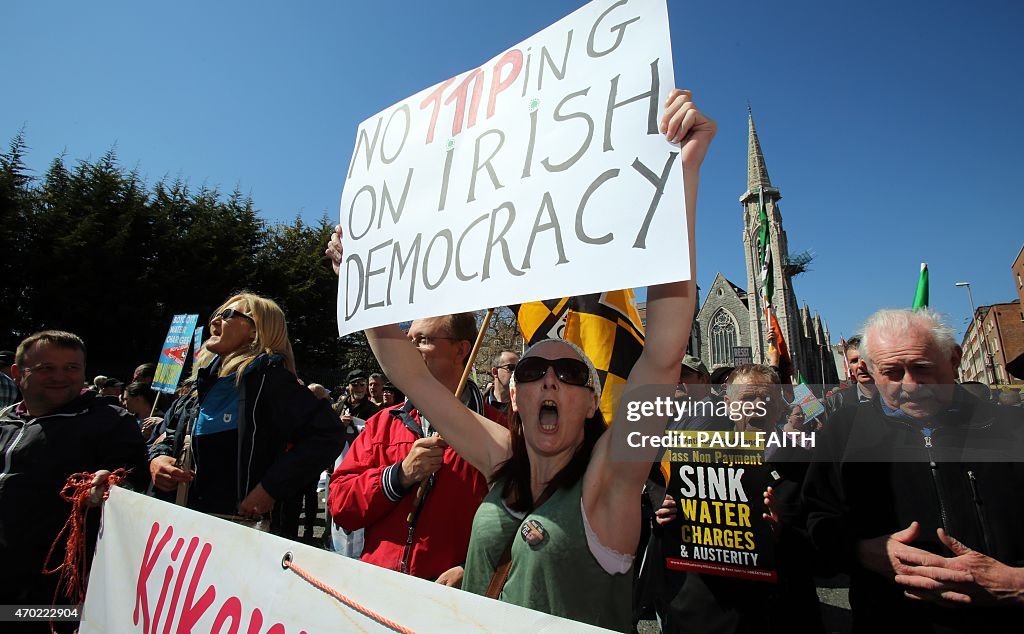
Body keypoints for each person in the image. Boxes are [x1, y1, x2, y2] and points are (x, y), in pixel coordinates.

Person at [331, 88, 714, 630]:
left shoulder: (612, 480)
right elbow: (410, 374)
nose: (550, 380)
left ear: (589, 401)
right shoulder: (501, 461)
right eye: (534, 371)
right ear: (515, 393)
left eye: (571, 373)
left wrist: (681, 177)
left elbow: (664, 351)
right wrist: (360, 280)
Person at [803, 308, 1024, 632]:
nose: (911, 385)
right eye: (892, 372)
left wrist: (1015, 583)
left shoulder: (1013, 428)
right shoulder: (845, 431)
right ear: (868, 371)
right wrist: (859, 551)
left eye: (923, 368)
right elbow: (817, 519)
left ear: (954, 359)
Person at [327, 312, 504, 583]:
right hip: (378, 586)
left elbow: (518, 522)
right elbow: (340, 504)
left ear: (461, 349)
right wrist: (398, 476)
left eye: (421, 340)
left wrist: (471, 568)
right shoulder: (383, 423)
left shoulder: (499, 430)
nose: (409, 350)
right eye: (407, 339)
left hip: (450, 602)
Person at [148, 292, 343, 537]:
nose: (215, 321)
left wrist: (270, 489)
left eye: (227, 315)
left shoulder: (271, 383)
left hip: (240, 538)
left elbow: (328, 434)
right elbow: (164, 435)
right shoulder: (198, 388)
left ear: (255, 331)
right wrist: (158, 460)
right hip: (182, 534)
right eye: (216, 315)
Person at [654, 364, 823, 633]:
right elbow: (673, 540)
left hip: (781, 614)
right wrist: (665, 517)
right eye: (747, 399)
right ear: (729, 406)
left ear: (780, 406)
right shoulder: (695, 456)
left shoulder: (808, 463)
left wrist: (784, 532)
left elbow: (829, 550)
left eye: (766, 399)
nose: (757, 406)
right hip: (709, 615)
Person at [0, 331, 148, 617]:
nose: (61, 377)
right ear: (18, 373)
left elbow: (133, 478)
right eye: (47, 368)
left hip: (52, 592)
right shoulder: (5, 419)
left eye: (71, 368)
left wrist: (115, 483)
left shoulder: (109, 422)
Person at [825, 335, 877, 415]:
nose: (860, 365)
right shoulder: (835, 402)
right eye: (854, 361)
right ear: (850, 368)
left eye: (864, 358)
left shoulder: (896, 396)